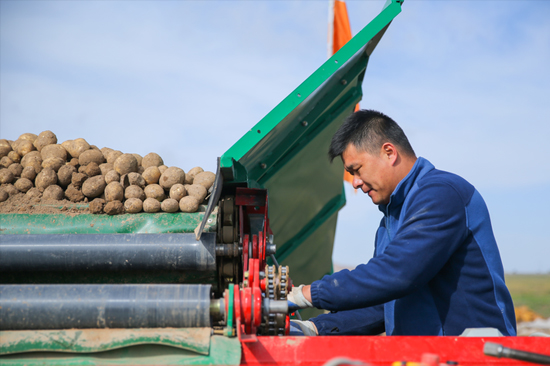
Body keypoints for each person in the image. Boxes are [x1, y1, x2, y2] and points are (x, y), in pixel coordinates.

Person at [288, 109, 516, 336]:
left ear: (389, 152)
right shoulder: (389, 222)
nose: (355, 183)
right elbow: (382, 304)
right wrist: (315, 328)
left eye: (356, 170)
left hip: (475, 354)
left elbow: (396, 273)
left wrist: (305, 294)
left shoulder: (442, 194)